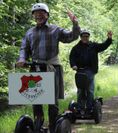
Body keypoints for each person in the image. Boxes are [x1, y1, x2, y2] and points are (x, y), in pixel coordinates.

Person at [16, 3, 80, 133]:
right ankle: (38, 125)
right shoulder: (29, 33)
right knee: (35, 99)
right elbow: (24, 49)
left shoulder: (55, 30)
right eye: (36, 13)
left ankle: (52, 126)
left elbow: (71, 37)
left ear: (47, 15)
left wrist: (75, 24)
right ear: (33, 16)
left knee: (52, 101)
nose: (39, 15)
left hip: (52, 68)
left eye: (42, 12)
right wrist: (22, 59)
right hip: (35, 68)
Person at [69, 30, 112, 112]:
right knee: (80, 90)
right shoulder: (76, 48)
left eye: (87, 36)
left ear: (88, 37)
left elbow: (103, 46)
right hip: (80, 71)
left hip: (90, 70)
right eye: (83, 36)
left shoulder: (93, 46)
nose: (85, 38)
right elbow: (72, 58)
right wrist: (73, 65)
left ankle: (89, 107)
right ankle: (80, 107)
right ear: (80, 37)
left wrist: (109, 39)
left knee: (89, 89)